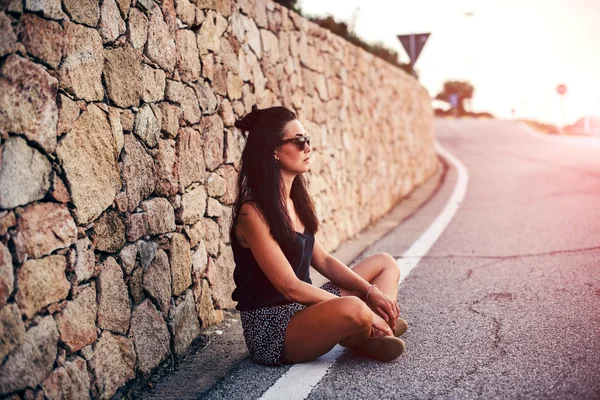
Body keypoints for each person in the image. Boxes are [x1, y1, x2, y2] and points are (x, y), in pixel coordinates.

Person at [230, 105, 408, 366]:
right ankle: (366, 328)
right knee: (354, 307)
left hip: (306, 310)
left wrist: (371, 293)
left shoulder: (295, 202)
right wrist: (360, 308)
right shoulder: (252, 213)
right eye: (299, 141)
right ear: (274, 151)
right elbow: (290, 287)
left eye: (307, 140)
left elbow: (323, 260)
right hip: (274, 330)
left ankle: (366, 332)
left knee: (385, 264)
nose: (307, 148)